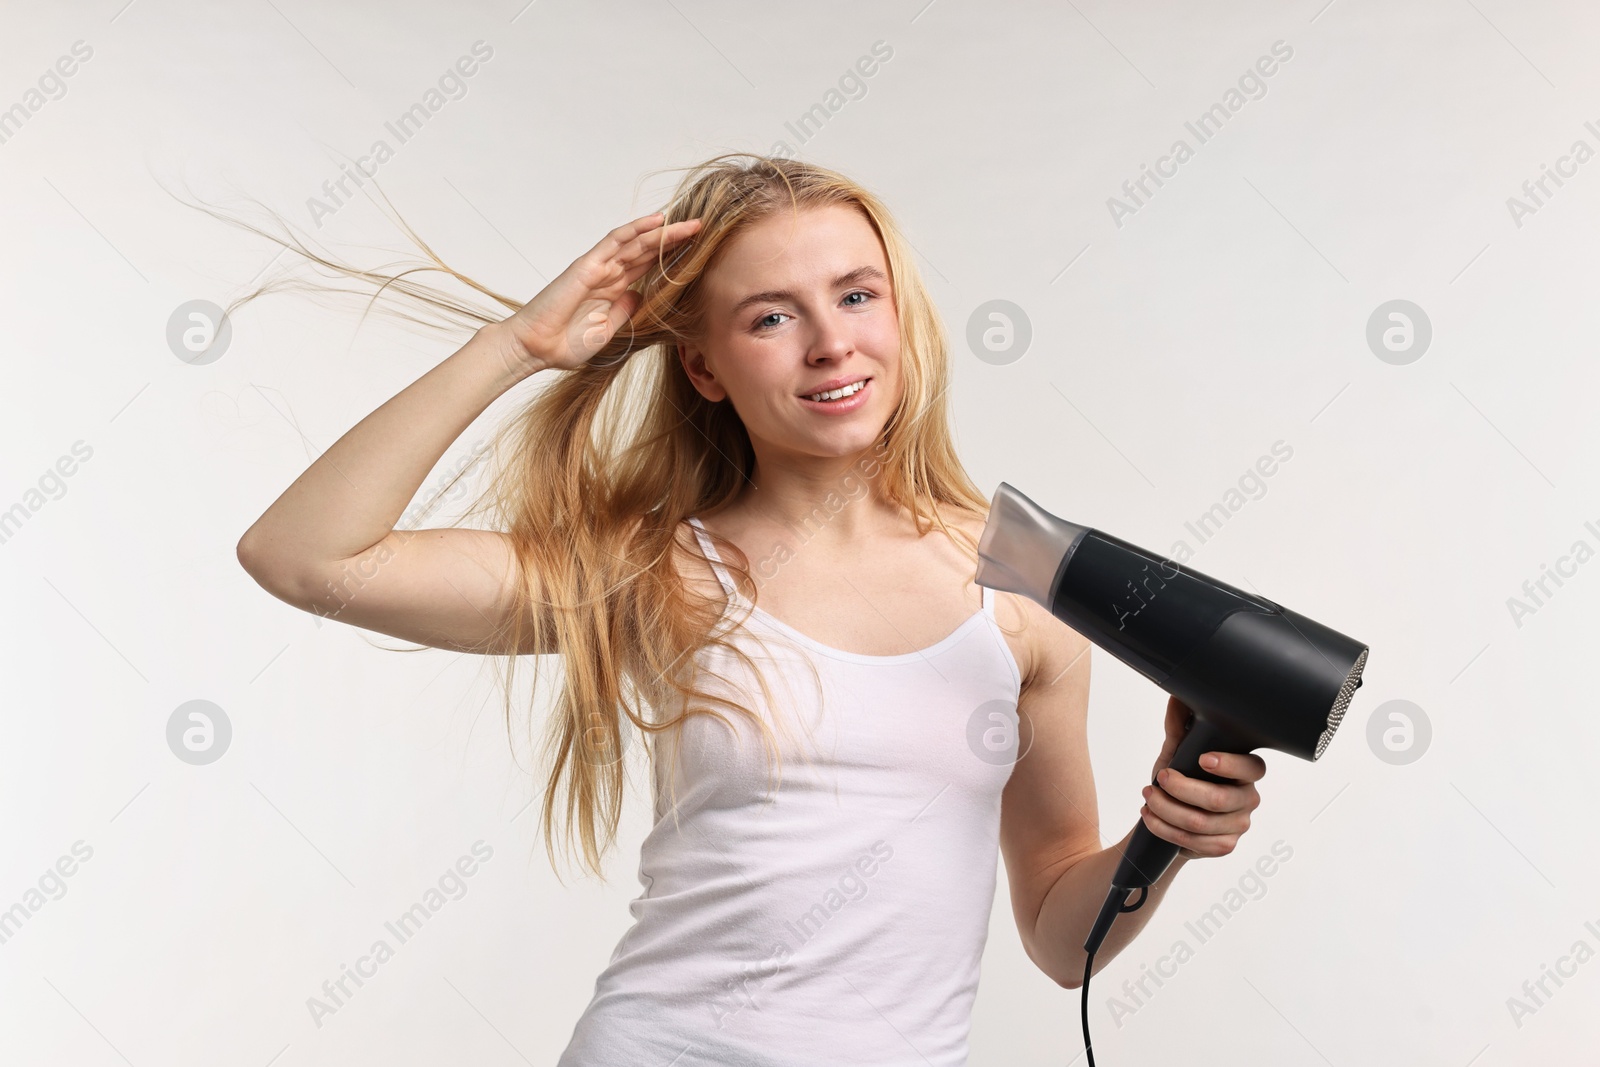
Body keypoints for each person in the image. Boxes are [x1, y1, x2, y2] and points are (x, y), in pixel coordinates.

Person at [233, 154, 1266, 1065]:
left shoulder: (1026, 597)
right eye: (771, 316)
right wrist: (521, 345)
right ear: (703, 367)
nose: (830, 343)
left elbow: (1054, 932)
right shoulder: (654, 572)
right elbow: (303, 554)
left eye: (857, 296)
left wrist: (1162, 831)